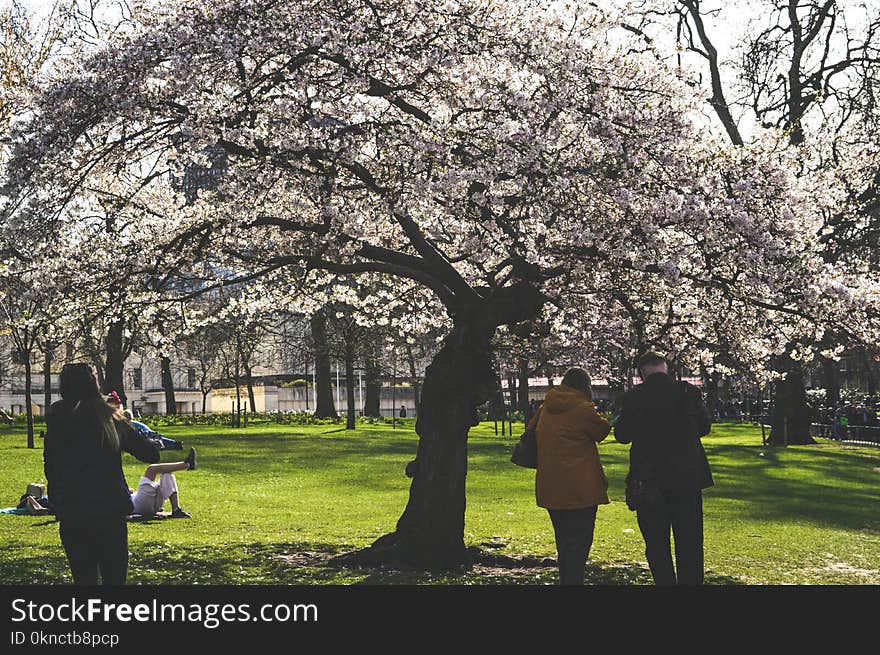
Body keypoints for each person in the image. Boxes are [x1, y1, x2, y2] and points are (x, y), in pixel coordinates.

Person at [43, 363, 161, 585]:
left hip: (73, 510)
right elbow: (150, 454)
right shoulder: (109, 418)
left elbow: (50, 468)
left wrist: (58, 500)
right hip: (109, 510)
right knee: (114, 580)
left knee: (83, 580)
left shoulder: (57, 419)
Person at [614, 352, 713, 585]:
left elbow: (622, 435)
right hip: (687, 479)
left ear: (641, 373)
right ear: (665, 368)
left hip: (650, 480)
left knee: (657, 543)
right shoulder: (688, 393)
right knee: (689, 541)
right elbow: (704, 428)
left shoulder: (634, 397)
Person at [525, 366, 611, 585]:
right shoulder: (583, 408)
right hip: (581, 487)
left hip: (551, 485)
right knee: (580, 541)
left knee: (563, 541)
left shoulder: (547, 406)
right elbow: (602, 431)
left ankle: (567, 579)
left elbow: (530, 429)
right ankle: (574, 580)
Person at [129, 448, 197, 518]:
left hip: (148, 505)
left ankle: (176, 510)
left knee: (167, 473)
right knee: (151, 469)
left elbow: (129, 491)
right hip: (137, 504)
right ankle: (186, 464)